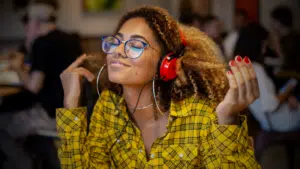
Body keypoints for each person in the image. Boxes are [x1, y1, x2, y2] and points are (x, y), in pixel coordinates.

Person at [57, 6, 260, 168]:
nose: (117, 51)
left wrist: (227, 119)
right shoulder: (109, 107)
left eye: (136, 45)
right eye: (115, 42)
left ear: (167, 63)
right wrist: (70, 105)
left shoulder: (200, 115)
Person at [0, 2, 81, 169]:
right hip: (73, 112)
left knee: (2, 124)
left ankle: (24, 164)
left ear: (35, 22)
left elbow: (33, 86)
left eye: (28, 21)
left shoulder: (42, 43)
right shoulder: (70, 39)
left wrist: (17, 67)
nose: (26, 25)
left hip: (50, 116)